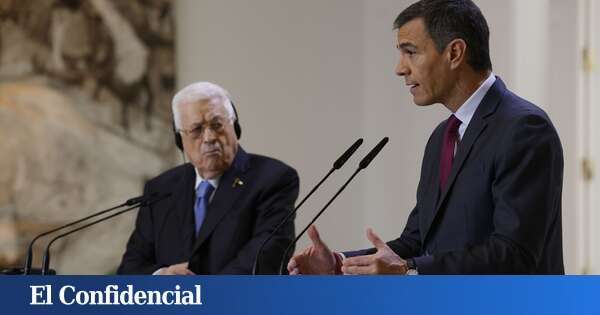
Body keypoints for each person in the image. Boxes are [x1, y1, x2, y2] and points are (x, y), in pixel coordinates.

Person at [288, 0, 564, 275]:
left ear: (454, 52)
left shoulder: (524, 128)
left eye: (411, 52)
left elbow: (514, 253)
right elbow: (418, 242)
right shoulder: (442, 136)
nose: (400, 68)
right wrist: (339, 264)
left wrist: (408, 269)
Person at [118, 82, 299, 274]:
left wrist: (201, 294)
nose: (209, 137)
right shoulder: (160, 189)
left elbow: (265, 259)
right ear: (180, 139)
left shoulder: (273, 179)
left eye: (217, 125)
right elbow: (129, 270)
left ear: (235, 127)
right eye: (196, 130)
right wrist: (161, 276)